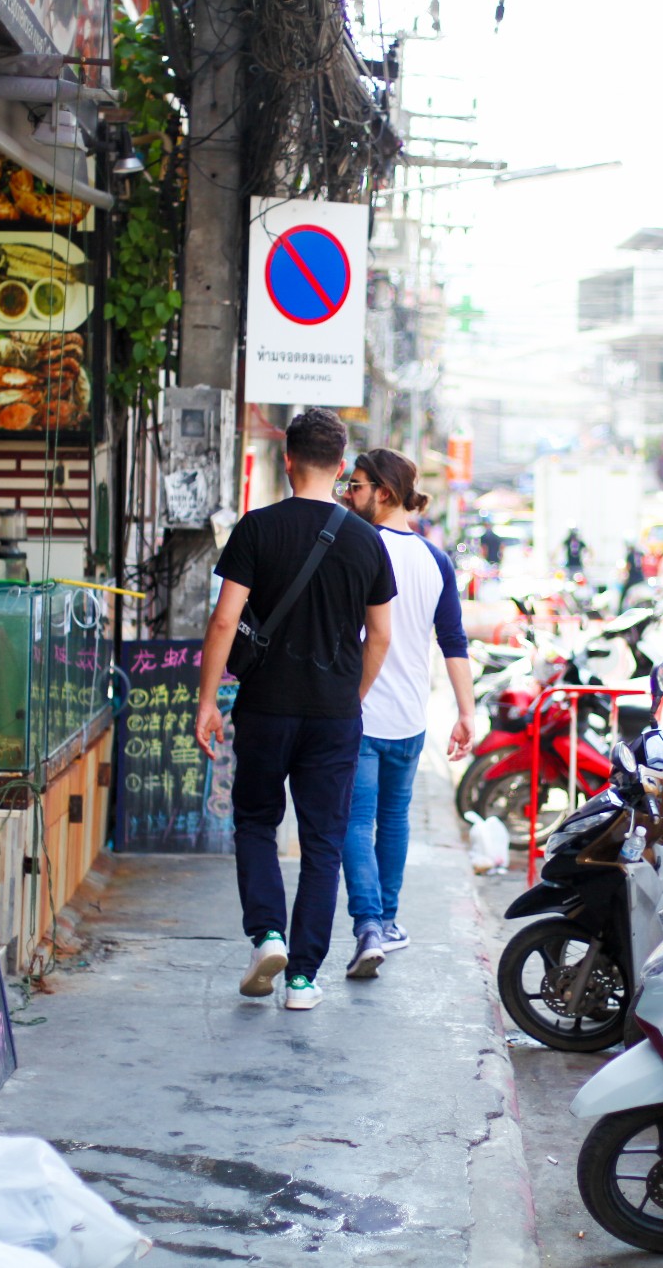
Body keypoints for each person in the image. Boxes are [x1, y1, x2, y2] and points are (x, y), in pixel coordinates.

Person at [196, 409, 396, 1012]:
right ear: (340, 469)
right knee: (324, 842)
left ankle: (268, 935)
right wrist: (352, 696)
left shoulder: (256, 529)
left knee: (256, 821)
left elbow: (226, 619)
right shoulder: (367, 540)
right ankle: (304, 979)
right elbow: (380, 636)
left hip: (265, 708)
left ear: (288, 460)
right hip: (334, 715)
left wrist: (208, 699)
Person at [337, 449, 474, 978]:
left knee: (356, 819)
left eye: (357, 486)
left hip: (360, 711)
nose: (349, 494)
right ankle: (388, 921)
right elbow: (453, 641)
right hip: (411, 718)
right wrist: (465, 712)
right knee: (392, 820)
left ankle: (368, 922)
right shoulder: (436, 560)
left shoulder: (357, 546)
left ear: (384, 494)